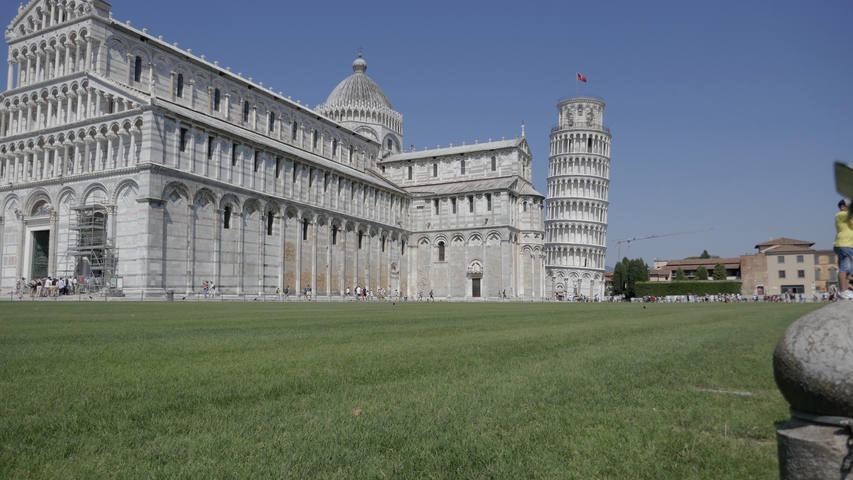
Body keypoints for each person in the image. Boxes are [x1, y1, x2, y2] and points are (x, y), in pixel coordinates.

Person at [834, 199, 853, 300]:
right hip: (844, 245)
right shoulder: (841, 215)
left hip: (849, 246)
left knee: (849, 270)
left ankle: (847, 289)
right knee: (844, 268)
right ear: (842, 207)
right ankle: (843, 291)